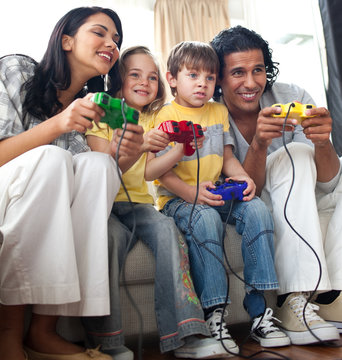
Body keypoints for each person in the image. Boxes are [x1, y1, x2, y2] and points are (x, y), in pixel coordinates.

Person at [0, 7, 145, 360]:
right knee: (53, 158)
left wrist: (128, 153)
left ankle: (43, 331)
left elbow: (100, 181)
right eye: (100, 32)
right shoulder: (17, 69)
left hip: (39, 194)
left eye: (116, 39)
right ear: (66, 40)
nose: (112, 44)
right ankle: (8, 333)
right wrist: (57, 124)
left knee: (97, 166)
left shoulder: (89, 116)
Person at [84, 45, 234, 360]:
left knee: (168, 230)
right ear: (118, 79)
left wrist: (181, 148)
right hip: (105, 204)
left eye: (152, 77)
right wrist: (134, 146)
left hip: (140, 205)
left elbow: (155, 170)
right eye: (135, 75)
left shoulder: (155, 117)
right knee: (108, 238)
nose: (144, 82)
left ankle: (186, 334)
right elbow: (102, 169)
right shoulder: (103, 113)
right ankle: (107, 342)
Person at [145, 40, 291, 353]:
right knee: (206, 218)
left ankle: (260, 311)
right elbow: (158, 172)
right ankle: (215, 314)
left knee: (257, 210)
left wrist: (243, 178)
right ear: (172, 79)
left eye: (210, 78)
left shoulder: (217, 111)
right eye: (193, 76)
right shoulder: (164, 116)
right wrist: (190, 193)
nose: (203, 84)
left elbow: (226, 157)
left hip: (213, 191)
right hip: (177, 200)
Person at [210, 25, 342, 345]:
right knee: (295, 152)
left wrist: (323, 142)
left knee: (314, 162)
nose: (252, 82)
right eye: (238, 72)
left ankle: (332, 300)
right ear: (219, 78)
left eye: (258, 70)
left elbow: (329, 183)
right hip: (255, 200)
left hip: (306, 193)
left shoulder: (291, 95)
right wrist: (259, 144)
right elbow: (246, 190)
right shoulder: (210, 115)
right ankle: (291, 300)